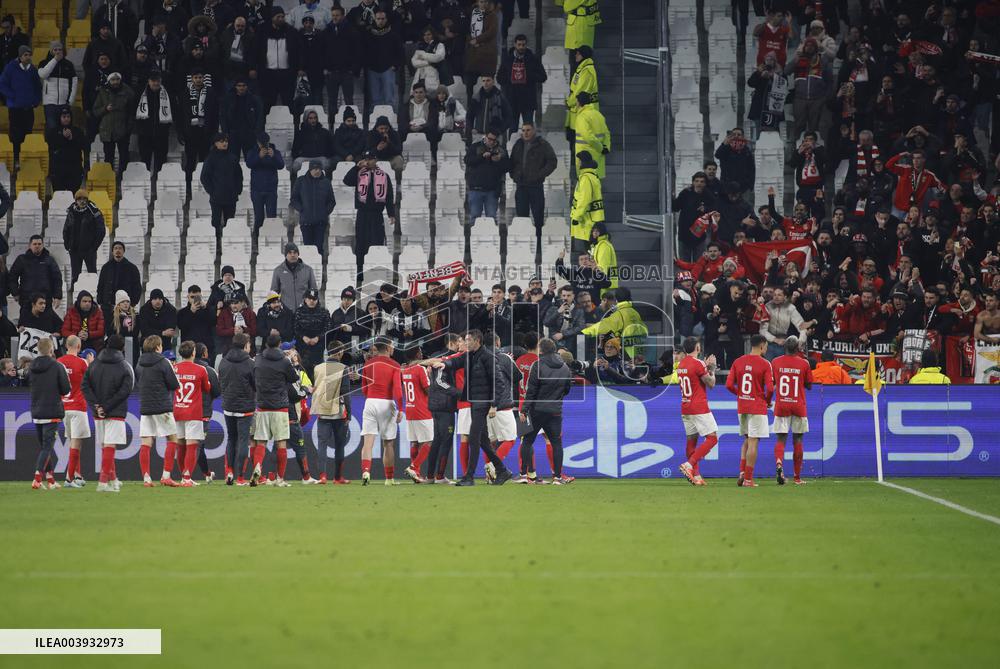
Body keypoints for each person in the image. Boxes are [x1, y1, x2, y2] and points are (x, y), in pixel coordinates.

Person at [429, 329, 513, 486]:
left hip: (483, 403)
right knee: (483, 441)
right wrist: (444, 364)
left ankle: (469, 477)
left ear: (477, 341)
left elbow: (498, 382)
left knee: (474, 438)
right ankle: (503, 470)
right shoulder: (469, 356)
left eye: (468, 340)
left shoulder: (488, 357)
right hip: (475, 402)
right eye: (465, 340)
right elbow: (455, 362)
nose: (465, 342)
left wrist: (494, 404)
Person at [81, 335, 133, 492]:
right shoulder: (124, 366)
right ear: (122, 348)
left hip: (98, 412)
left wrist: (96, 406)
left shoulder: (94, 364)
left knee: (105, 445)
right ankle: (103, 482)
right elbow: (125, 391)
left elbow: (85, 386)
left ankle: (113, 480)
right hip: (115, 411)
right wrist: (107, 406)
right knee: (110, 445)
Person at [518, 337, 572, 484]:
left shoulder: (538, 365)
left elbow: (531, 390)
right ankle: (557, 477)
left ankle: (524, 475)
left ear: (541, 350)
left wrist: (524, 409)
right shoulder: (565, 367)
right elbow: (567, 389)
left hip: (537, 410)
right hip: (555, 411)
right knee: (556, 443)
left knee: (527, 441)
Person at [249, 333, 299, 486]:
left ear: (265, 345)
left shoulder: (258, 359)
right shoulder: (284, 361)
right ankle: (280, 479)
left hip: (262, 406)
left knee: (261, 442)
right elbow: (294, 378)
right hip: (280, 408)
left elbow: (252, 378)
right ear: (279, 344)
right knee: (281, 443)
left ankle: (257, 467)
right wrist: (292, 362)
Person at [725, 334, 774, 488]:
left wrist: (740, 394)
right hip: (757, 406)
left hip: (742, 406)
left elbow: (728, 385)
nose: (766, 349)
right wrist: (766, 401)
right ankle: (748, 479)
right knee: (753, 441)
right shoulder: (765, 364)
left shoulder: (738, 361)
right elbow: (771, 388)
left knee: (747, 439)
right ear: (762, 346)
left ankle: (742, 472)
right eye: (766, 346)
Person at [136, 334, 181, 487]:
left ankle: (146, 478)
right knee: (172, 439)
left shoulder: (139, 363)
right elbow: (174, 384)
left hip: (145, 407)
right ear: (157, 347)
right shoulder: (164, 362)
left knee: (146, 442)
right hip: (162, 406)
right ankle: (166, 476)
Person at [27, 338, 71, 490]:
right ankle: (38, 477)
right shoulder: (57, 366)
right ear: (51, 349)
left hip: (37, 411)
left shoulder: (32, 366)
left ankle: (50, 479)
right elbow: (66, 389)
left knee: (44, 447)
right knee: (47, 446)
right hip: (52, 410)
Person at [359, 337, 403, 485]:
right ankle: (389, 479)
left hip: (370, 402)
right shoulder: (395, 365)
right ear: (389, 347)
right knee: (388, 443)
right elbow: (397, 389)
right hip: (387, 402)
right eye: (392, 345)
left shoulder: (368, 364)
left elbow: (364, 387)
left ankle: (366, 471)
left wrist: (371, 399)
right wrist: (401, 409)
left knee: (367, 443)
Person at [676, 337, 719, 487]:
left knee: (691, 441)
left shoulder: (681, 364)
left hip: (685, 406)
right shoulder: (698, 363)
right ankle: (689, 465)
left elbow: (695, 377)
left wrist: (705, 368)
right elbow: (711, 383)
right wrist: (711, 368)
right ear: (697, 348)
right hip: (698, 407)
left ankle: (697, 475)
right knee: (713, 439)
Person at [771, 336, 812, 485]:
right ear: (797, 349)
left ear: (785, 347)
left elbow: (773, 383)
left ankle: (779, 464)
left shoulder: (775, 362)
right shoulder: (804, 363)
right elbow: (809, 385)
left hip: (782, 404)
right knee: (798, 439)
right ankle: (797, 477)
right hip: (798, 405)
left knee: (781, 439)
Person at [343, 152, 396, 266]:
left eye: (371, 159)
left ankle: (376, 267)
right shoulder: (359, 174)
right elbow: (346, 181)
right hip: (362, 213)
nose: (368, 161)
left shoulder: (384, 175)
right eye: (366, 159)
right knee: (361, 242)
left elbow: (389, 195)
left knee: (377, 242)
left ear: (375, 160)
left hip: (377, 214)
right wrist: (357, 167)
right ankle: (360, 270)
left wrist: (391, 213)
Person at [171, 340, 211, 486]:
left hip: (178, 410)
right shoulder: (201, 370)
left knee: (180, 444)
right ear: (193, 352)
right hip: (193, 412)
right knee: (192, 445)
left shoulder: (174, 368)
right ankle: (187, 477)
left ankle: (184, 476)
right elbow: (207, 388)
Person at [312, 340, 353, 484]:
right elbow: (345, 392)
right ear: (340, 352)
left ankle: (322, 476)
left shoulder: (317, 368)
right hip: (338, 411)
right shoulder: (343, 368)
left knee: (322, 444)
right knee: (339, 445)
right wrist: (349, 412)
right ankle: (338, 477)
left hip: (322, 410)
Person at [218, 332, 255, 485]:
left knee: (231, 439)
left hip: (228, 405)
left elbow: (221, 381)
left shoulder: (224, 361)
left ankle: (230, 473)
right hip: (245, 406)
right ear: (246, 345)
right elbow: (255, 384)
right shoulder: (250, 363)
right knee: (243, 441)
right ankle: (241, 477)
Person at [509, 121, 557, 230]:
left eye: (528, 130)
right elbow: (512, 162)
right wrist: (514, 175)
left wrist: (540, 175)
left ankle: (539, 242)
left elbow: (552, 162)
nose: (525, 133)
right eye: (523, 130)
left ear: (534, 131)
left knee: (538, 217)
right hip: (521, 186)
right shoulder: (518, 144)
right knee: (522, 218)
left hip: (536, 186)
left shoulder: (543, 144)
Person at [56, 336, 90, 488]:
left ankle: (77, 475)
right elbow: (90, 381)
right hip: (78, 406)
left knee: (74, 441)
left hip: (64, 407)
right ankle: (69, 479)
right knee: (76, 442)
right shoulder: (82, 362)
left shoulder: (59, 362)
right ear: (79, 345)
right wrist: (91, 364)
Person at [0, 45, 41, 164]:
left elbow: (38, 87)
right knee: (16, 136)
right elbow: (2, 84)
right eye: (25, 55)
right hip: (15, 108)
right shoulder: (10, 68)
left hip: (28, 108)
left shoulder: (32, 69)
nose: (28, 57)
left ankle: (26, 160)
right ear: (20, 56)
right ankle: (16, 160)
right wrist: (12, 96)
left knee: (28, 134)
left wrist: (36, 100)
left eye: (29, 55)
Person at [255, 7, 300, 112]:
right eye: (278, 17)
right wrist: (254, 67)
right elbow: (256, 51)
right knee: (267, 103)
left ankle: (292, 126)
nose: (281, 19)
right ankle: (265, 126)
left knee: (289, 103)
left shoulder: (291, 32)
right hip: (268, 74)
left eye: (282, 16)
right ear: (272, 18)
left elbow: (298, 52)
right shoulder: (262, 32)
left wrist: (299, 67)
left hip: (287, 74)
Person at [400, 347, 433, 483]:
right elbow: (427, 390)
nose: (421, 352)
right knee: (428, 441)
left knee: (415, 442)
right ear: (417, 354)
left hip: (410, 409)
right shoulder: (420, 369)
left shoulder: (404, 370)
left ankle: (417, 474)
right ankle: (414, 467)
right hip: (422, 410)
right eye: (420, 350)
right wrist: (429, 376)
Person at [497, 35, 546, 127]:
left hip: (528, 100)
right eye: (519, 44)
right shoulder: (508, 59)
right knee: (512, 130)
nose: (521, 47)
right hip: (512, 100)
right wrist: (511, 77)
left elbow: (543, 77)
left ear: (526, 45)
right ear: (515, 44)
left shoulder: (533, 59)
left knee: (528, 128)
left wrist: (527, 75)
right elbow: (499, 78)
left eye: (523, 45)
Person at [200, 132, 244, 235]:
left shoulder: (233, 158)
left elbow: (239, 176)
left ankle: (227, 245)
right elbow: (204, 177)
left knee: (230, 223)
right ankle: (217, 244)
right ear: (216, 143)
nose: (225, 143)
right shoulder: (210, 159)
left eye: (226, 141)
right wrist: (212, 191)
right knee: (215, 222)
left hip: (231, 197)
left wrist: (237, 190)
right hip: (216, 197)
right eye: (222, 141)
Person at [290, 160, 336, 254]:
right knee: (308, 248)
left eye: (319, 169)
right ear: (310, 169)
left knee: (319, 248)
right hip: (306, 222)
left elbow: (332, 201)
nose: (317, 171)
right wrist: (302, 209)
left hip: (321, 222)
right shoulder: (301, 181)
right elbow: (294, 199)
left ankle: (319, 267)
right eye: (314, 169)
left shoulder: (326, 182)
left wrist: (325, 212)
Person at [465, 127, 508, 226]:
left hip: (492, 191)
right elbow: (467, 161)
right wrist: (482, 157)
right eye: (490, 139)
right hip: (476, 189)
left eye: (494, 140)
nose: (492, 142)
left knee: (491, 219)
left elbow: (508, 167)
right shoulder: (475, 147)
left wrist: (498, 160)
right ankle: (473, 240)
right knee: (474, 218)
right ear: (485, 137)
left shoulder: (501, 151)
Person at [179, 69, 219, 175]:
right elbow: (182, 114)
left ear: (204, 79)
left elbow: (215, 114)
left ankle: (204, 184)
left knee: (205, 160)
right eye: (196, 77)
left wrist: (214, 132)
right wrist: (182, 132)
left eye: (200, 77)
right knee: (190, 160)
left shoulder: (211, 92)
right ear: (192, 79)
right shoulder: (185, 93)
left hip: (206, 131)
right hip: (190, 132)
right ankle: (189, 185)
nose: (198, 80)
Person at [92, 71, 133, 173]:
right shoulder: (102, 92)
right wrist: (105, 109)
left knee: (124, 156)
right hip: (107, 130)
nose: (115, 82)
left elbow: (131, 112)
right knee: (108, 157)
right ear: (109, 81)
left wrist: (128, 128)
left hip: (122, 129)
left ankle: (123, 177)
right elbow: (96, 111)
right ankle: (109, 177)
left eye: (117, 79)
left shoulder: (128, 92)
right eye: (113, 80)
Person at [362, 10, 404, 111]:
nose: (380, 21)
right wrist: (366, 65)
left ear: (386, 19)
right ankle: (375, 123)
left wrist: (395, 65)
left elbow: (400, 52)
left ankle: (392, 122)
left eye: (382, 19)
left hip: (388, 69)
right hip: (372, 70)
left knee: (390, 99)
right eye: (378, 19)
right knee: (375, 100)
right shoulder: (368, 35)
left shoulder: (393, 35)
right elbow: (363, 52)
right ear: (374, 20)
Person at [63, 189, 107, 283]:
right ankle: (76, 295)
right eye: (79, 198)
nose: (82, 201)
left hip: (89, 251)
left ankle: (94, 294)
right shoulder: (71, 211)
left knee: (92, 275)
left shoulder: (94, 211)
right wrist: (67, 245)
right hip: (74, 250)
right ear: (75, 200)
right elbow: (66, 229)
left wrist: (93, 247)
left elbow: (101, 230)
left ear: (87, 200)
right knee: (75, 277)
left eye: (84, 198)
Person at [323, 6, 359, 117]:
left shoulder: (351, 30)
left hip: (346, 72)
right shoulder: (327, 30)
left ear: (343, 16)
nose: (335, 18)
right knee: (332, 102)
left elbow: (357, 52)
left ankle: (351, 124)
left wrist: (353, 69)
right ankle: (331, 126)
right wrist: (325, 68)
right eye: (333, 15)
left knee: (349, 101)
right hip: (331, 72)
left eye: (337, 15)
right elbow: (322, 51)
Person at [462, 0, 499, 104]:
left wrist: (478, 40)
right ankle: (470, 106)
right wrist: (471, 41)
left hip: (487, 55)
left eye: (485, 2)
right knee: (469, 84)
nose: (484, 4)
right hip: (473, 54)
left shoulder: (492, 16)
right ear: (477, 2)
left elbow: (492, 31)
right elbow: (466, 30)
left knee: (488, 84)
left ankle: (490, 105)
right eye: (481, 1)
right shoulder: (471, 14)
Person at [45, 106, 87, 192]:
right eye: (64, 117)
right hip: (58, 170)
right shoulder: (52, 132)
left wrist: (71, 138)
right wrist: (62, 137)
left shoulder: (77, 131)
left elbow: (83, 145)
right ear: (59, 118)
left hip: (74, 170)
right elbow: (51, 145)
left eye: (68, 117)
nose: (66, 119)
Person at [38, 42, 78, 130]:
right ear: (51, 50)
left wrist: (70, 101)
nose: (58, 52)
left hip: (64, 103)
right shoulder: (43, 63)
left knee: (64, 128)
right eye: (55, 50)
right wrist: (55, 60)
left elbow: (74, 82)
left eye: (60, 49)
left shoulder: (68, 64)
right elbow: (43, 74)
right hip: (49, 103)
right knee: (52, 128)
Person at [220, 77, 263, 157]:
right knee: (232, 159)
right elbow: (223, 116)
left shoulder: (254, 99)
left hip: (249, 133)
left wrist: (256, 132)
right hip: (233, 133)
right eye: (239, 85)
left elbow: (260, 117)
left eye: (244, 85)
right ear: (235, 87)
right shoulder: (228, 99)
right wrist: (225, 132)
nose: (241, 87)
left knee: (251, 159)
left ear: (247, 86)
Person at [570, 150, 604, 252]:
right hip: (594, 218)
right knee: (593, 249)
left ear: (583, 162)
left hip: (587, 220)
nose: (578, 163)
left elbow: (584, 200)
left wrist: (576, 216)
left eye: (579, 161)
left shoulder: (585, 178)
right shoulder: (593, 176)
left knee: (590, 250)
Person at [96, 242, 141, 316]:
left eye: (120, 248)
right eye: (115, 248)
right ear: (112, 251)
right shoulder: (106, 267)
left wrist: (132, 303)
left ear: (123, 251)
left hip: (125, 307)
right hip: (108, 307)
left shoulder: (132, 268)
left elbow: (137, 287)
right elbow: (101, 285)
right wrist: (100, 301)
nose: (118, 250)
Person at [270, 243, 318, 312]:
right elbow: (274, 292)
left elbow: (314, 291)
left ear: (298, 254)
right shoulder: (278, 271)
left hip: (305, 311)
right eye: (289, 252)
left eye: (295, 252)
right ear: (285, 255)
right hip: (286, 312)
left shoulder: (308, 270)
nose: (292, 255)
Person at [573, 91, 609, 179]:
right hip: (598, 156)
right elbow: (607, 133)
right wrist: (606, 147)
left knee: (586, 186)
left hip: (585, 156)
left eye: (577, 101)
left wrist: (600, 148)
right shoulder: (598, 115)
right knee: (596, 186)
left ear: (580, 102)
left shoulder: (582, 117)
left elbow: (588, 136)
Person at [293, 288, 329, 375]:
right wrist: (303, 337)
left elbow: (327, 327)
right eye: (309, 299)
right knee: (303, 371)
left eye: (314, 299)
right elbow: (295, 328)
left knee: (318, 372)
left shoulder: (324, 312)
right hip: (302, 346)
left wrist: (318, 338)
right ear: (305, 299)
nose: (312, 301)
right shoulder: (299, 312)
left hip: (318, 346)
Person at [565, 45, 597, 138]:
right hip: (577, 110)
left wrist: (569, 102)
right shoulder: (582, 69)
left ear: (584, 55)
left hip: (582, 110)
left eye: (578, 54)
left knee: (579, 141)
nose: (576, 55)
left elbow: (580, 92)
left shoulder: (586, 71)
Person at [467, 74, 512, 139]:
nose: (485, 83)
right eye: (483, 81)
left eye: (488, 80)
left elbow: (508, 117)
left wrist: (499, 131)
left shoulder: (501, 97)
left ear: (493, 81)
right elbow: (469, 116)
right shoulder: (476, 98)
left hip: (496, 136)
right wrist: (471, 128)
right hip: (479, 135)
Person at [290, 109, 335, 174]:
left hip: (320, 157)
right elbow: (294, 150)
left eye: (315, 118)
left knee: (326, 164)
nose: (313, 120)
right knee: (296, 165)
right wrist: (302, 154)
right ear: (306, 119)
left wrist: (325, 154)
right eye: (310, 118)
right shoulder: (300, 133)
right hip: (304, 157)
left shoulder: (324, 132)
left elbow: (331, 148)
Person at [177, 284, 216, 359]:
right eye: (192, 297)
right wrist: (191, 312)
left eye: (197, 297)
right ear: (188, 297)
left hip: (206, 348)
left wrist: (206, 308)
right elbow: (181, 326)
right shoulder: (182, 312)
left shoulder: (207, 310)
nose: (194, 299)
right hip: (189, 350)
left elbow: (213, 322)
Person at [410, 26, 447, 91]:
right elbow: (414, 63)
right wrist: (428, 62)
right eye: (424, 35)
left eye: (428, 34)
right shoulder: (420, 46)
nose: (426, 37)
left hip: (433, 78)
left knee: (432, 97)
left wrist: (423, 55)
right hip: (419, 78)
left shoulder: (439, 45)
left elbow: (438, 57)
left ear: (433, 35)